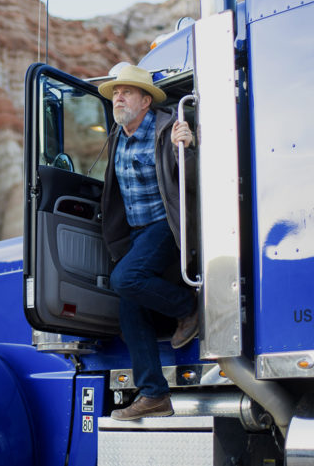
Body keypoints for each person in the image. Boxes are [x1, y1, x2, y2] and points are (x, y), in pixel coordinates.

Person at [97, 65, 199, 420]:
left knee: (124, 280)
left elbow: (192, 181)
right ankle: (154, 394)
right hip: (137, 233)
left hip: (166, 225)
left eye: (126, 91)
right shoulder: (118, 136)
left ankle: (187, 307)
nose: (118, 97)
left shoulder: (167, 129)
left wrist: (187, 148)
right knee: (129, 303)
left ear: (145, 100)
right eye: (114, 93)